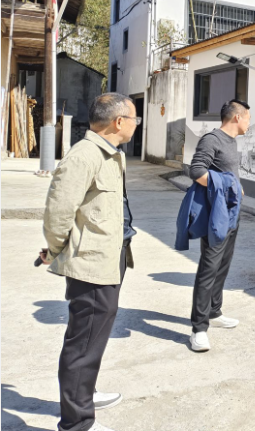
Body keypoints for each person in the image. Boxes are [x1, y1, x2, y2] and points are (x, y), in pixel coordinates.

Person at [40, 93, 140, 431]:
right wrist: (57, 250)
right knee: (82, 343)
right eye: (135, 118)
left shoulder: (110, 154)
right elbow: (58, 214)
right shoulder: (84, 156)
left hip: (110, 257)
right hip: (91, 264)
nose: (136, 124)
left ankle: (85, 392)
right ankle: (77, 422)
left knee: (93, 337)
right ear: (119, 121)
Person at [188, 99, 250, 352]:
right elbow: (196, 171)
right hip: (217, 216)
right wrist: (228, 186)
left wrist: (236, 185)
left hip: (232, 214)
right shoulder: (212, 139)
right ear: (237, 117)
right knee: (209, 268)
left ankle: (214, 311)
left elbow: (225, 172)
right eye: (248, 118)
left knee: (223, 265)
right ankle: (198, 329)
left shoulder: (231, 142)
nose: (249, 123)